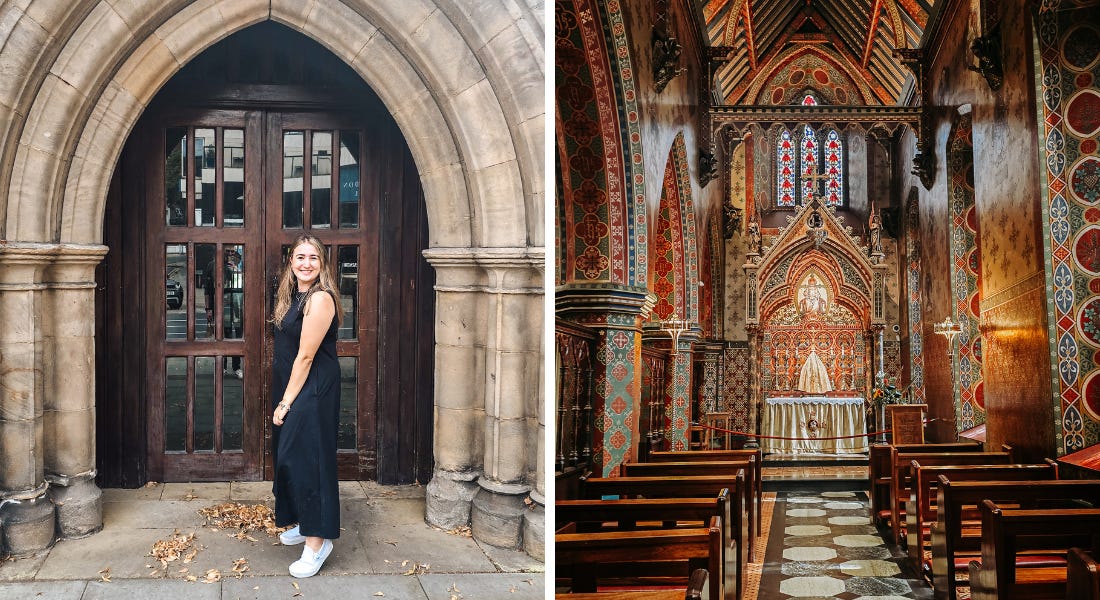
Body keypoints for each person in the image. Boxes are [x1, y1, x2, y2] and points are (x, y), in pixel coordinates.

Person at [270, 234, 343, 578]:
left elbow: (307, 355)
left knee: (310, 461)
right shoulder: (292, 296)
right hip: (296, 385)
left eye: (314, 257)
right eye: (300, 257)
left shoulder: (321, 299)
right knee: (291, 456)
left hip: (313, 388)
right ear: (291, 262)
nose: (306, 263)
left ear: (322, 263)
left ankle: (318, 542)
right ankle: (305, 521)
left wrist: (286, 401)